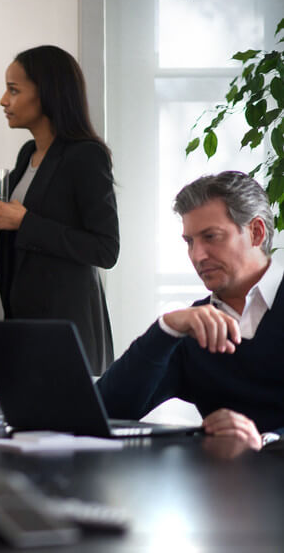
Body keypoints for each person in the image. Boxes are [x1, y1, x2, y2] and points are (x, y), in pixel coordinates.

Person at [0, 45, 119, 374]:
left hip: (67, 330)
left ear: (48, 94)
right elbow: (14, 200)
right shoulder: (29, 152)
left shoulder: (86, 156)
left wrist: (26, 223)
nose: (3, 100)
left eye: (13, 90)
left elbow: (105, 249)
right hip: (27, 322)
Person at [97, 171, 284, 450]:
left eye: (211, 237)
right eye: (190, 242)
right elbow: (105, 410)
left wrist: (268, 439)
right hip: (221, 485)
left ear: (256, 232)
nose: (198, 256)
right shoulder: (194, 328)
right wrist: (166, 329)